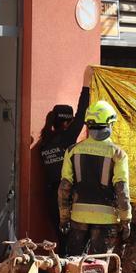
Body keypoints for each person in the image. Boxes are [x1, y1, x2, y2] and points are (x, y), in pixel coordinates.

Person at [57, 100, 131, 258]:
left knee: (73, 267)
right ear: (109, 124)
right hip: (106, 220)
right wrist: (126, 220)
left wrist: (64, 218)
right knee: (98, 269)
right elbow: (121, 190)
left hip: (78, 218)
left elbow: (64, 189)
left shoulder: (72, 151)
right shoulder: (118, 154)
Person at [39, 67, 92, 242]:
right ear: (67, 123)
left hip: (50, 198)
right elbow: (82, 111)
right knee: (73, 240)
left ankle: (62, 268)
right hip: (66, 197)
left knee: (61, 239)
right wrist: (86, 86)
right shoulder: (66, 138)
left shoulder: (44, 142)